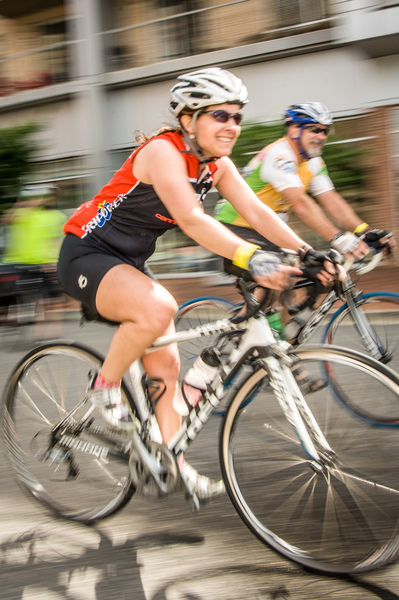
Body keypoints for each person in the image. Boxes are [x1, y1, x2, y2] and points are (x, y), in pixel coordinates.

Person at [57, 69, 341, 502]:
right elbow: (192, 219)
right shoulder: (161, 153)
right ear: (188, 120)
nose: (231, 126)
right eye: (219, 116)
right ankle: (104, 387)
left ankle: (171, 461)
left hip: (127, 263)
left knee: (166, 368)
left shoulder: (216, 164)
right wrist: (252, 256)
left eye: (236, 117)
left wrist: (307, 252)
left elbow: (259, 214)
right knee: (159, 309)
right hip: (85, 253)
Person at [215, 102, 396, 264]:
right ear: (294, 130)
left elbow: (331, 199)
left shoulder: (314, 161)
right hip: (236, 224)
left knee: (312, 271)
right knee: (281, 271)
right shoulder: (280, 156)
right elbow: (300, 203)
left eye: (324, 130)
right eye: (314, 129)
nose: (321, 136)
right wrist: (338, 238)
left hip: (268, 227)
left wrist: (364, 231)